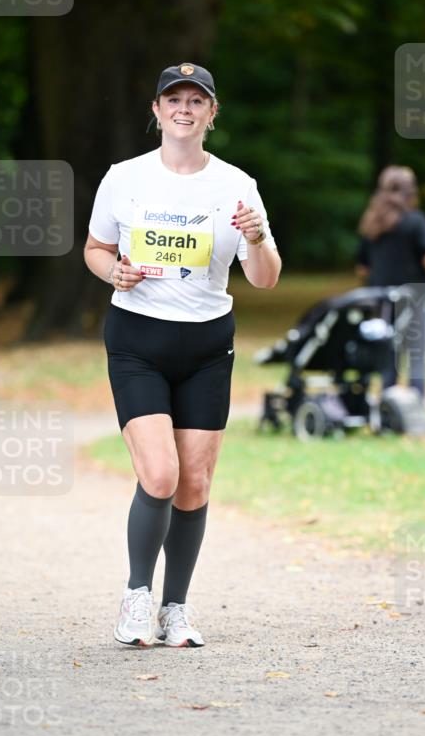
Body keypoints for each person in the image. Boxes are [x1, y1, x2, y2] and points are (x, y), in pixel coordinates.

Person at [84, 62, 281, 648]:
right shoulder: (123, 178)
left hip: (206, 346)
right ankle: (137, 597)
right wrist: (113, 271)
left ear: (212, 114)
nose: (185, 108)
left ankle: (176, 608)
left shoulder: (238, 186)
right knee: (162, 474)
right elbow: (96, 249)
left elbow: (266, 279)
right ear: (157, 109)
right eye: (175, 99)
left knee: (194, 484)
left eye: (197, 100)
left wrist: (257, 236)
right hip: (138, 340)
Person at [355, 165, 425, 435]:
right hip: (414, 299)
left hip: (381, 301)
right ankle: (417, 420)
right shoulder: (416, 221)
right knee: (416, 358)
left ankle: (386, 416)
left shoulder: (372, 224)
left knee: (388, 358)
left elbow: (362, 268)